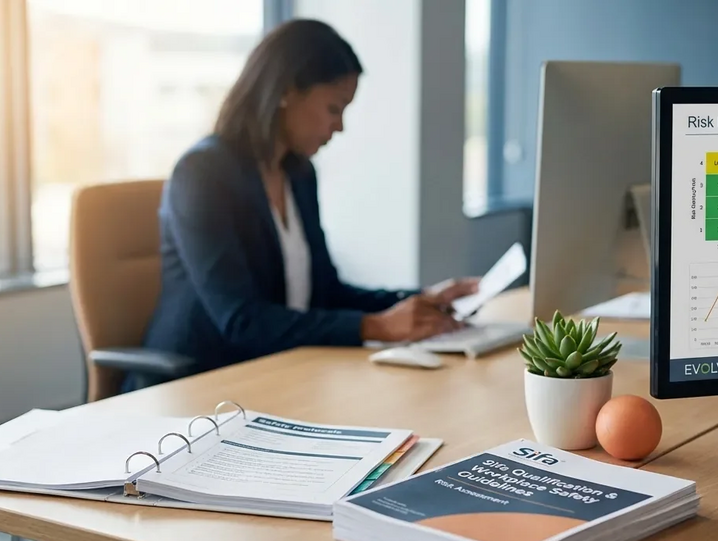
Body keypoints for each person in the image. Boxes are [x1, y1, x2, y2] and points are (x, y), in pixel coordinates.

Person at [124, 19, 478, 393]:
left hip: (278, 374)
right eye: (333, 108)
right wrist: (377, 326)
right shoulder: (203, 173)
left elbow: (325, 291)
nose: (339, 127)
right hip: (200, 386)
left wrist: (417, 300)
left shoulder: (299, 174)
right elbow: (241, 320)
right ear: (287, 91)